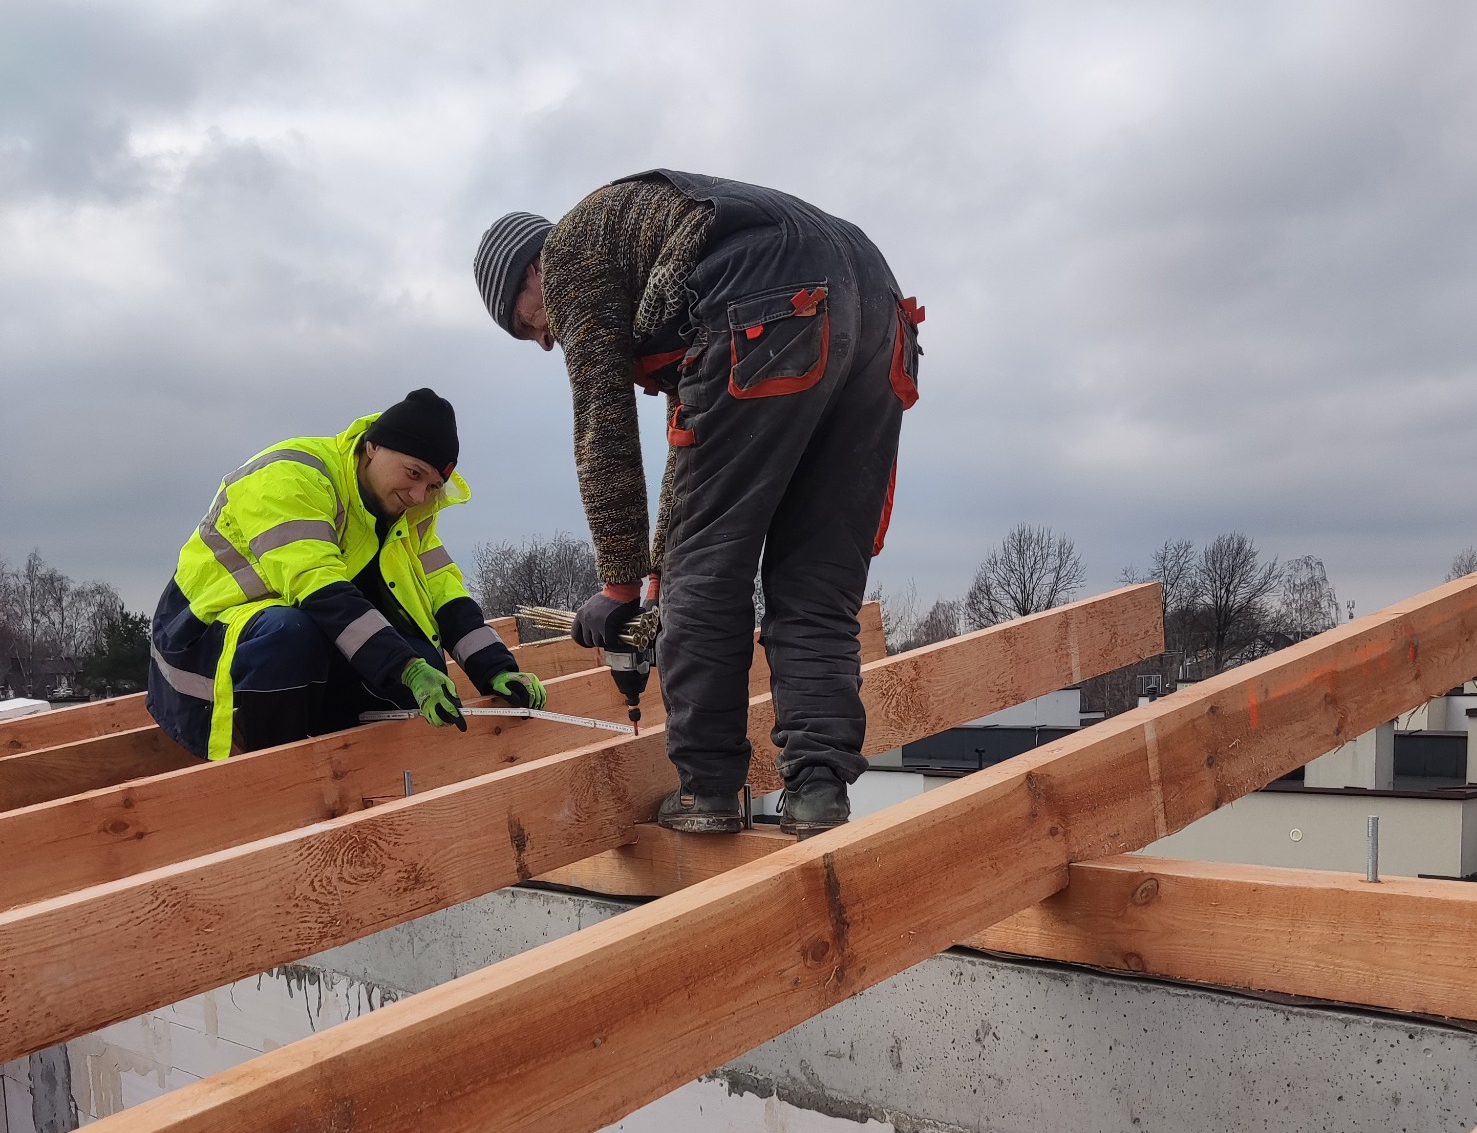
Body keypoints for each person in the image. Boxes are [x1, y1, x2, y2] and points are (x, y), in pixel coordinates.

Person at [474, 172, 921, 836]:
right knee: (816, 579)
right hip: (877, 313)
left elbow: (603, 426)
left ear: (532, 275)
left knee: (708, 571)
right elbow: (693, 439)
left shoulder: (570, 250)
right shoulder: (661, 258)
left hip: (774, 302)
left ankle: (709, 792)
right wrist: (656, 580)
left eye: (526, 324)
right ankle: (818, 794)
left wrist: (620, 585)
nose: (545, 340)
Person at [147, 388, 545, 759]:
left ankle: (350, 771)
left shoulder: (410, 514)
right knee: (295, 635)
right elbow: (317, 583)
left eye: (433, 484)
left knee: (422, 655)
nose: (419, 495)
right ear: (372, 446)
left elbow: (445, 594)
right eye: (413, 473)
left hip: (302, 633)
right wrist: (405, 668)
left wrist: (497, 669)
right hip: (206, 642)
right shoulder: (291, 475)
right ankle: (271, 773)